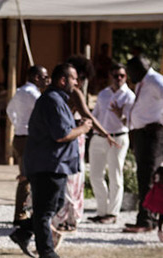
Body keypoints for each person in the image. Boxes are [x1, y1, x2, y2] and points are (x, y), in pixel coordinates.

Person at [9, 63, 92, 258]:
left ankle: (23, 233)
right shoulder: (53, 101)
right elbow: (61, 134)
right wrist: (83, 128)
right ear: (63, 80)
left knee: (54, 205)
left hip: (53, 164)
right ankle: (47, 253)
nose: (77, 83)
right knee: (46, 210)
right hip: (49, 164)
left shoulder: (56, 100)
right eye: (73, 79)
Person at [54, 55, 116, 235]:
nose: (79, 83)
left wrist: (103, 133)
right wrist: (104, 133)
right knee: (72, 178)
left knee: (69, 178)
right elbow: (88, 114)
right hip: (73, 136)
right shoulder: (73, 93)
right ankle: (69, 216)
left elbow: (86, 115)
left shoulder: (61, 92)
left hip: (71, 137)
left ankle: (65, 216)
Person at [121, 55, 163, 233]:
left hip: (153, 134)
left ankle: (146, 219)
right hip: (145, 133)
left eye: (130, 72)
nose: (129, 76)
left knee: (147, 176)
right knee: (145, 176)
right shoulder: (143, 82)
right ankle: (149, 217)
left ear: (139, 69)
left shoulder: (155, 80)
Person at [87, 62, 135, 224]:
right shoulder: (103, 94)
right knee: (95, 175)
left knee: (115, 175)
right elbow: (96, 115)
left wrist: (120, 113)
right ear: (110, 77)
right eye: (116, 76)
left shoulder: (129, 96)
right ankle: (102, 211)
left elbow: (131, 123)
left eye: (122, 75)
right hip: (99, 137)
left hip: (118, 137)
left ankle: (113, 213)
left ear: (126, 77)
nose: (119, 79)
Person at [6, 65, 49, 225]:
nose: (47, 80)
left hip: (20, 135)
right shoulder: (33, 94)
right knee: (26, 177)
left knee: (27, 176)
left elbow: (10, 110)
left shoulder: (20, 91)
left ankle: (23, 212)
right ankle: (20, 215)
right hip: (29, 138)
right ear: (37, 78)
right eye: (44, 77)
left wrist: (18, 124)